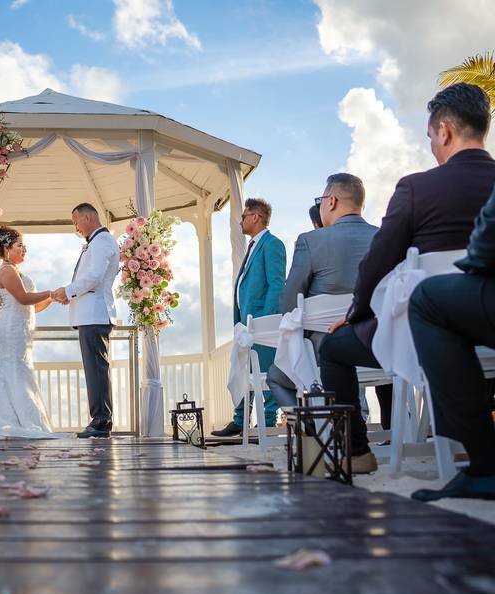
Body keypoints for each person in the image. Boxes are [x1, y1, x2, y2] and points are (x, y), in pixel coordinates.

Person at [320, 82, 495, 474]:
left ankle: (358, 453)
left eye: (431, 136)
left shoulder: (417, 188)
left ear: (445, 131)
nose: (433, 145)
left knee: (332, 348)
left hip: (429, 331)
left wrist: (357, 312)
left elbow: (378, 263)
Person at [409, 184, 495, 501]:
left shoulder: (416, 190)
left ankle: (486, 466)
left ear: (443, 132)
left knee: (427, 301)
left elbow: (487, 241)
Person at [267, 174, 380, 411]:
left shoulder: (310, 241)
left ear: (331, 201)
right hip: (379, 347)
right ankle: (388, 429)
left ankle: (317, 432)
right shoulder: (384, 237)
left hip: (323, 351)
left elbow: (289, 303)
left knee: (276, 378)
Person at [0, 226, 61, 439]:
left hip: (19, 331)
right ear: (6, 248)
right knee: (9, 369)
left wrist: (52, 298)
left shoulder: (15, 271)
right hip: (9, 329)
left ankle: (16, 417)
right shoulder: (6, 271)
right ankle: (3, 419)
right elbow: (23, 298)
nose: (24, 250)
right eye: (20, 245)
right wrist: (50, 291)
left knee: (17, 371)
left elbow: (33, 306)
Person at [212, 198, 286, 437]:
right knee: (243, 371)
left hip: (261, 325)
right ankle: (240, 420)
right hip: (246, 325)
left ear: (256, 217)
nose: (240, 221)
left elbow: (277, 284)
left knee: (263, 372)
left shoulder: (272, 244)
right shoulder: (253, 246)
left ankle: (267, 423)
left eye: (244, 216)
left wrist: (264, 322)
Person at [52, 203, 120, 438]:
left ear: (88, 217)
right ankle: (99, 418)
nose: (76, 227)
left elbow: (94, 276)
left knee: (97, 369)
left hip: (95, 314)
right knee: (94, 369)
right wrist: (69, 295)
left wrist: (68, 291)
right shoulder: (97, 242)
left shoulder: (101, 241)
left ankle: (101, 421)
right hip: (89, 314)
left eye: (76, 221)